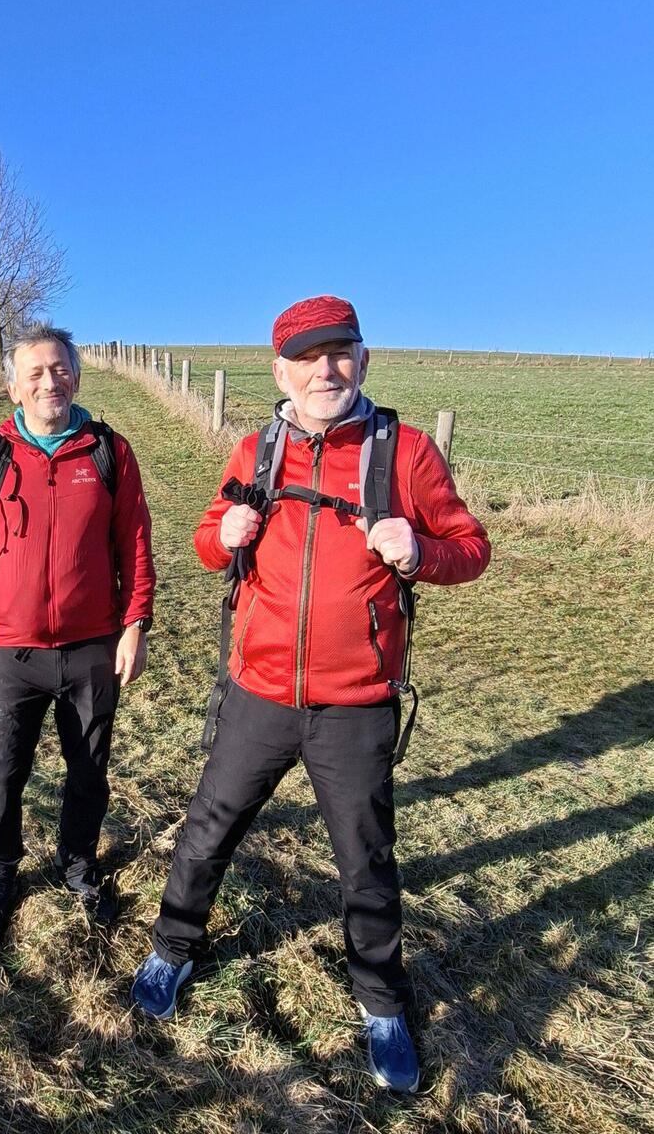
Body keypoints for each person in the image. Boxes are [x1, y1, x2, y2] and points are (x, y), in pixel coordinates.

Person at [131, 295, 490, 1092]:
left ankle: (383, 1006)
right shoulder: (255, 450)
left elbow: (472, 549)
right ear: (281, 372)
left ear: (363, 360)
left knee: (364, 861)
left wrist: (420, 550)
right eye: (308, 357)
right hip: (257, 691)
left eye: (340, 352)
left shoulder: (406, 453)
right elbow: (205, 537)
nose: (325, 370)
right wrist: (218, 536)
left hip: (357, 702)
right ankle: (170, 950)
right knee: (208, 828)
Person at [0, 323, 155, 941]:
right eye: (34, 372)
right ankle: (0, 872)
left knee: (88, 769)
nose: (49, 381)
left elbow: (135, 546)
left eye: (60, 369)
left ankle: (79, 862)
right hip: (13, 650)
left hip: (93, 647)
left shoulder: (109, 453)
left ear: (77, 377)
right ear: (13, 384)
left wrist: (135, 624)